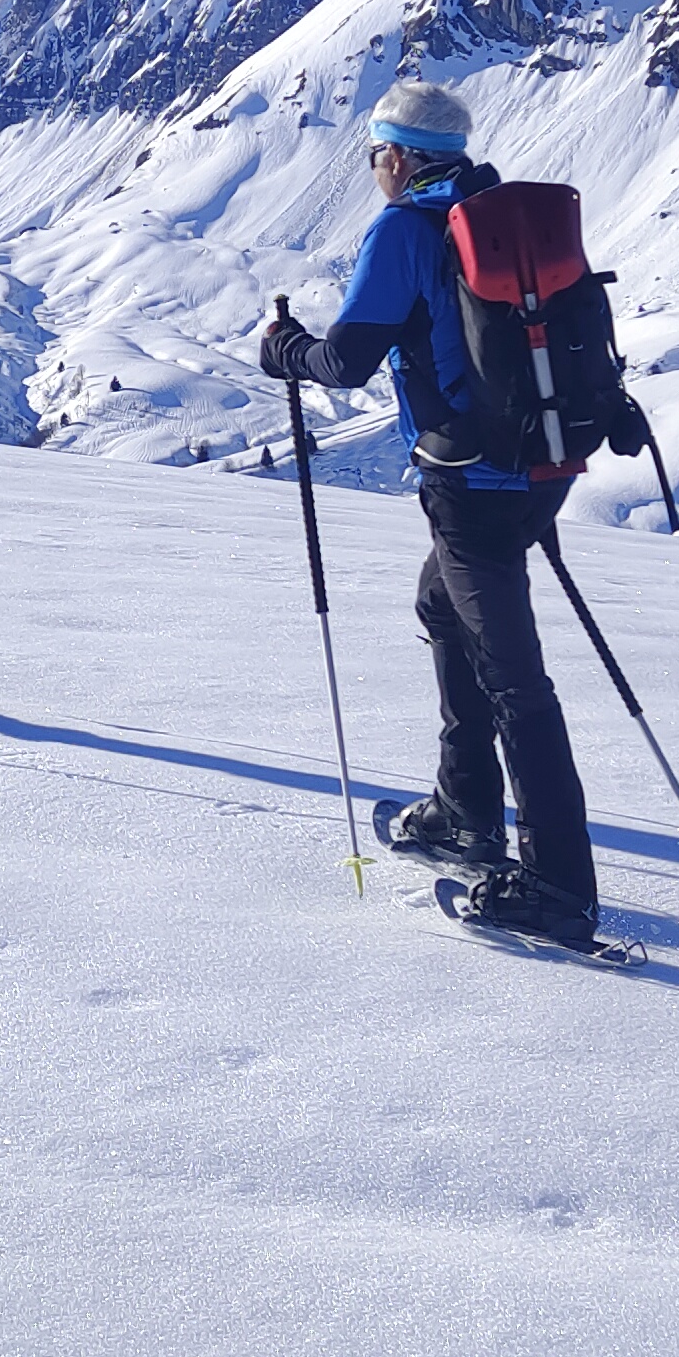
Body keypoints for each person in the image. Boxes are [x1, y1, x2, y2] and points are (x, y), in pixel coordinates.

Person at [260, 77, 599, 947]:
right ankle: (466, 808)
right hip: (539, 466)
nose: (374, 167)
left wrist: (283, 351)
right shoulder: (498, 217)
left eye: (376, 153)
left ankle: (558, 886)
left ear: (402, 156)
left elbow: (347, 358)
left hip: (471, 482)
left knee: (514, 677)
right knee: (441, 607)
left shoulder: (408, 229)